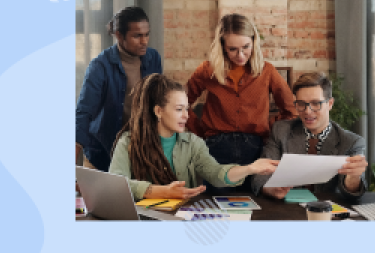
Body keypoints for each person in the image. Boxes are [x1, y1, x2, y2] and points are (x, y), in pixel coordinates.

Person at [108, 74, 279, 200]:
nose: (186, 116)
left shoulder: (192, 143)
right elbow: (115, 184)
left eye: (187, 109)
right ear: (158, 111)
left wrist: (250, 168)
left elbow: (216, 173)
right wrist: (161, 191)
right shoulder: (128, 142)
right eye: (179, 109)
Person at [185, 13, 297, 192]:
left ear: (254, 42)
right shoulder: (207, 71)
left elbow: (291, 110)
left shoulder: (267, 71)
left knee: (252, 206)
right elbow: (182, 104)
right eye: (232, 49)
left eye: (246, 47)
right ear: (222, 46)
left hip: (254, 149)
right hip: (216, 149)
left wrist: (267, 127)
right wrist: (200, 133)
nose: (240, 55)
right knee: (217, 206)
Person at [252, 72, 368, 199]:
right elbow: (259, 176)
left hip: (327, 211)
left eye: (315, 103)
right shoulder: (281, 130)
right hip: (287, 209)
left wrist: (354, 177)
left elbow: (352, 194)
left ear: (329, 104)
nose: (307, 111)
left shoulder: (351, 142)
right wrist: (270, 189)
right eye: (301, 104)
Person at [76, 6, 162, 172]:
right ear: (119, 35)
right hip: (102, 155)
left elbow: (158, 101)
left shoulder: (153, 59)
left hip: (140, 155)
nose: (144, 41)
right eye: (137, 36)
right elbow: (84, 113)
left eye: (146, 34)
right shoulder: (100, 66)